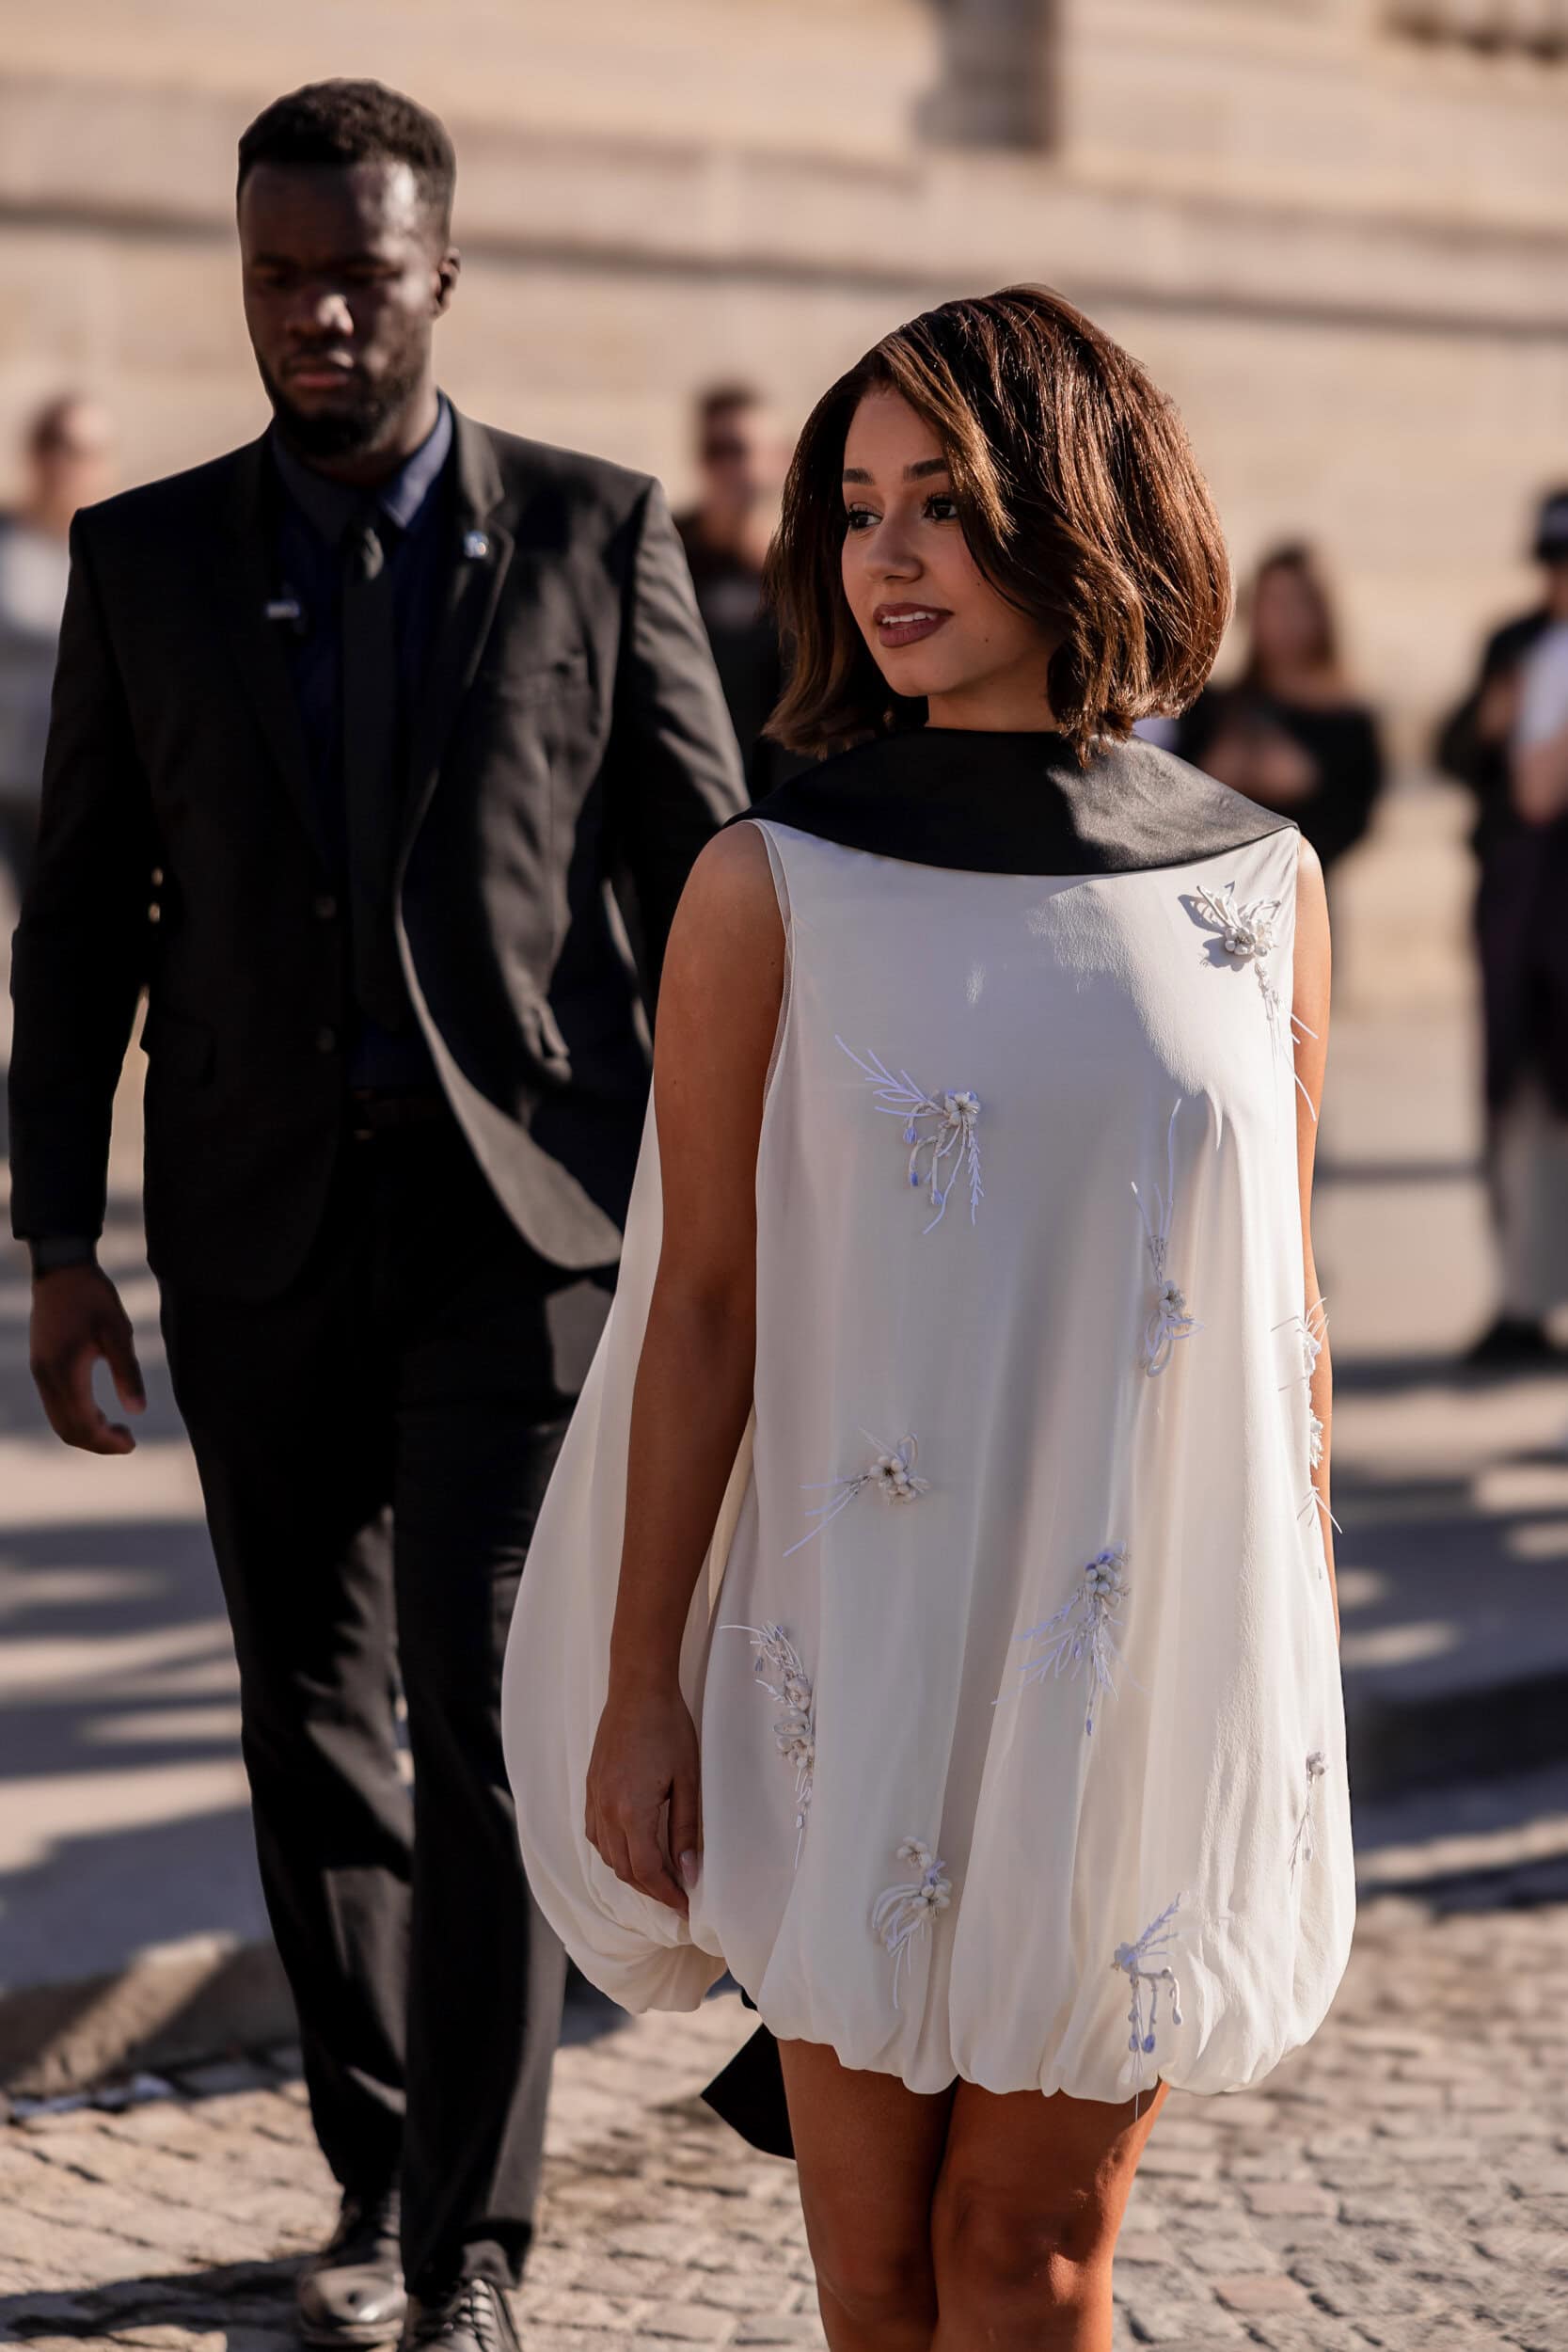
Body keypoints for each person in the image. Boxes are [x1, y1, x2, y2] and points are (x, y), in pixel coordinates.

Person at [503, 286, 1352, 2351]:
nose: (882, 555)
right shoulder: (771, 882)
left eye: (939, 503)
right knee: (876, 2274)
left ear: (1075, 506)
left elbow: (1286, 1318)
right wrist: (639, 1684)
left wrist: (1285, 1666)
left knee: (1025, 2255)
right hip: (849, 1652)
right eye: (856, 507)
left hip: (1137, 1666)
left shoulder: (1258, 886)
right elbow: (700, 1309)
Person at [8, 78, 744, 2352]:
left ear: (442, 275)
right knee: (308, 1718)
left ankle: (471, 2245)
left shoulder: (596, 536)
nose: (315, 314)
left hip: (516, 1240)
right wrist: (57, 1239)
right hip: (248, 1237)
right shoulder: (142, 563)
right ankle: (376, 2149)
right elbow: (81, 918)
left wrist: (740, 1219)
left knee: (489, 1725)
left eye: (356, 274)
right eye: (277, 275)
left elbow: (708, 901)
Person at [1434, 486, 1568, 1365]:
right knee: (1515, 1095)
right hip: (1520, 907)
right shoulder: (1514, 645)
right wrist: (1487, 726)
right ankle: (1522, 1299)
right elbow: (1455, 753)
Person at [1176, 541, 1385, 874]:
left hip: (1306, 887)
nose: (1284, 619)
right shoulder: (1214, 706)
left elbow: (1357, 821)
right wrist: (1215, 775)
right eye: (1272, 603)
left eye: (1296, 603)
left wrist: (1305, 786)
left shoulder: (1350, 720)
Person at [0, 393, 115, 902]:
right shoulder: (7, 541)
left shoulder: (121, 552)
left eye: (84, 451)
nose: (68, 464)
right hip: (10, 782)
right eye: (57, 446)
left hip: (87, 786)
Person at [674, 384, 800, 799]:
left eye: (739, 449)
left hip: (776, 804)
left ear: (782, 458)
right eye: (715, 451)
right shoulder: (664, 552)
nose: (728, 467)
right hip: (680, 795)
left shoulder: (808, 572)